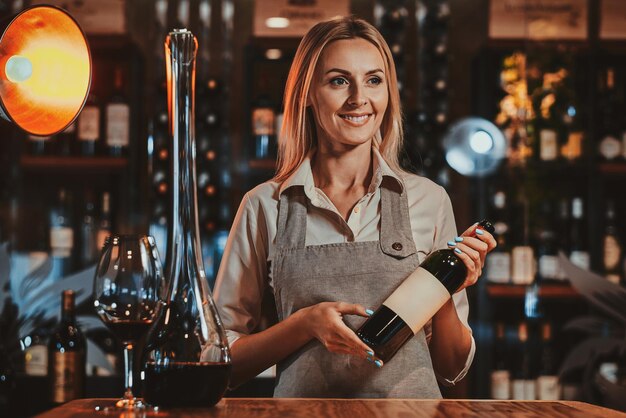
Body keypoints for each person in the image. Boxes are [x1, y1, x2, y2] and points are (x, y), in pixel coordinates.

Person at [213, 16, 496, 398]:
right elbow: (220, 363)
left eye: (374, 80)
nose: (359, 98)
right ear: (307, 93)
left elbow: (452, 368)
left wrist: (445, 289)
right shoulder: (264, 205)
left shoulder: (428, 200)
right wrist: (304, 325)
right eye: (339, 80)